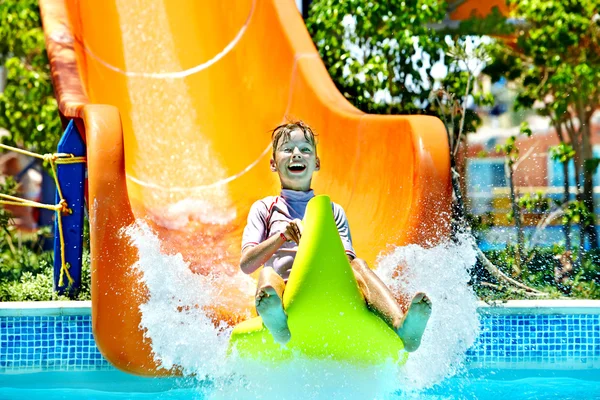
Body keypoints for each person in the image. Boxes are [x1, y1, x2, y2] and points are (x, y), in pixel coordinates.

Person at [240, 121, 431, 351]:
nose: (297, 154)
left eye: (305, 150)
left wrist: (315, 245)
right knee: (268, 275)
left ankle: (402, 326)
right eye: (288, 149)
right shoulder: (264, 208)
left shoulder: (331, 211)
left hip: (330, 287)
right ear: (273, 164)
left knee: (358, 264)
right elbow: (247, 264)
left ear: (316, 163)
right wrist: (281, 237)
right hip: (286, 292)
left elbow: (346, 263)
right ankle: (277, 320)